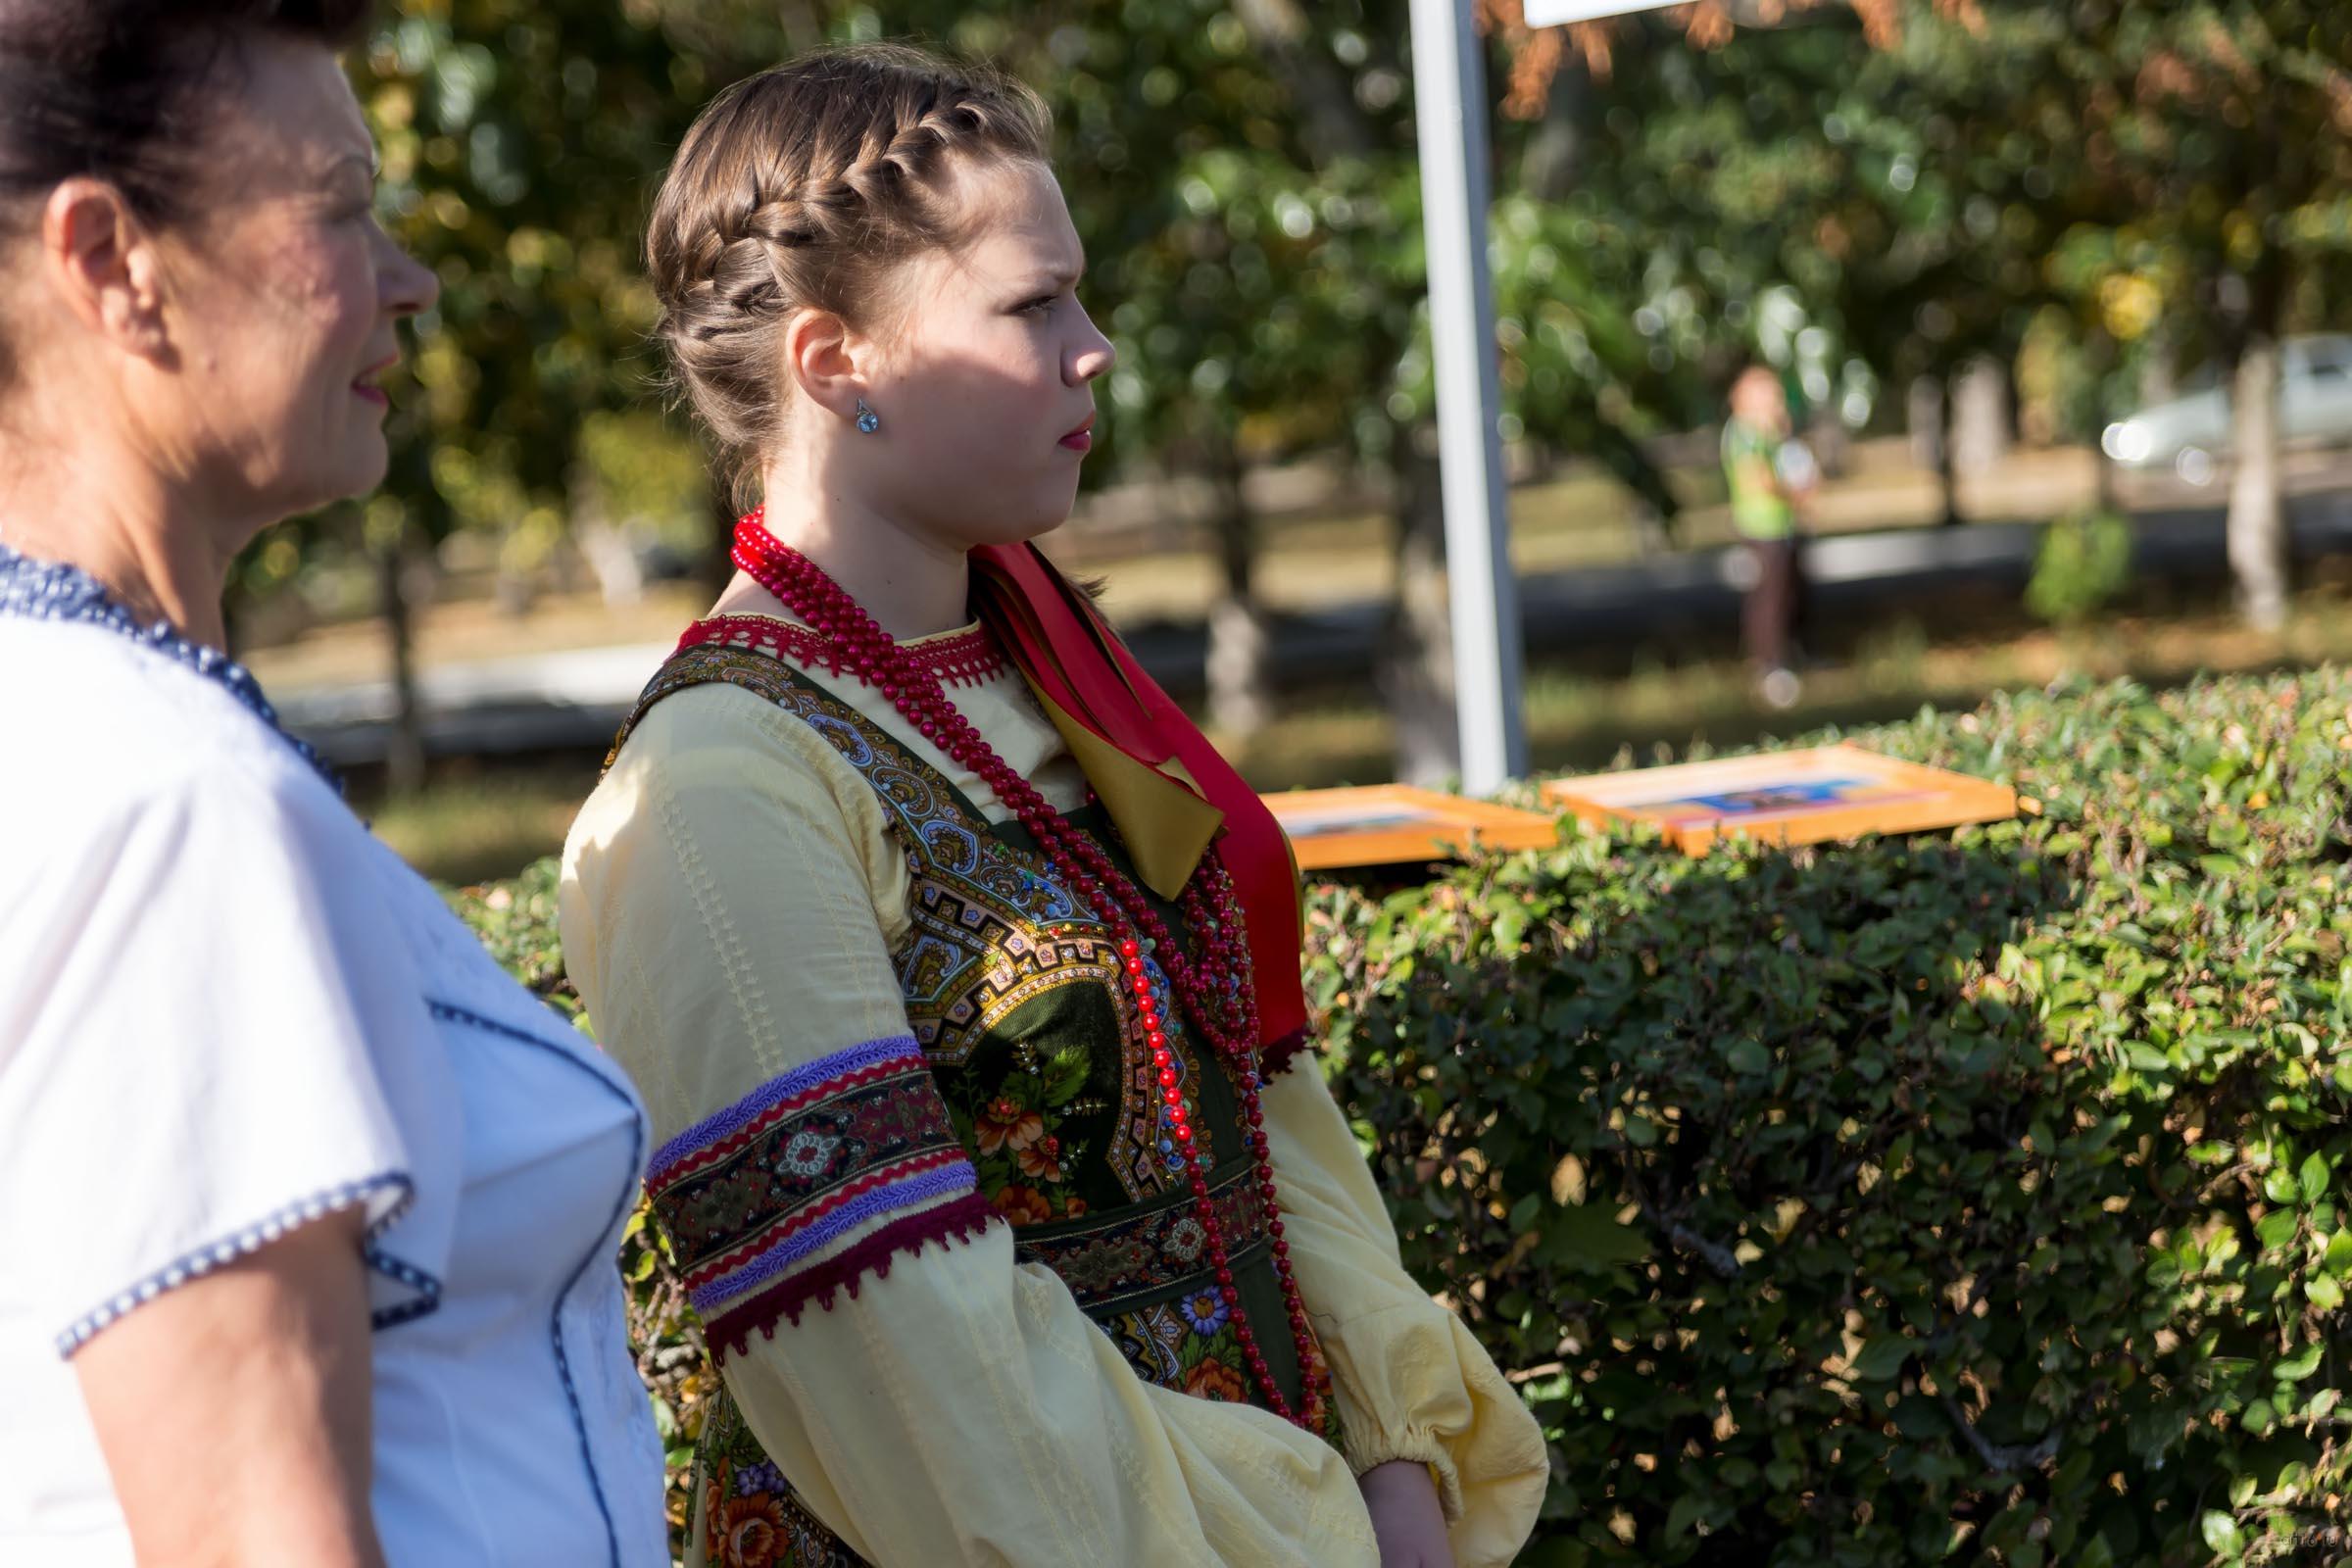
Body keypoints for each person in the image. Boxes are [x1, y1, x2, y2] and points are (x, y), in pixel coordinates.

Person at [561, 44, 1547, 1568]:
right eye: (1032, 306)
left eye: (1077, 294)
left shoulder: (1046, 680)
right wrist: (1309, 1535)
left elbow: (1257, 1093)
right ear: (837, 362)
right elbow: (910, 1375)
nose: (1096, 348)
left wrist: (1395, 1453)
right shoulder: (720, 791)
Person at [0, 5, 668, 1563]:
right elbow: (252, 1531)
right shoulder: (165, 798)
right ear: (111, 262)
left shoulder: (78, 724)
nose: (409, 279)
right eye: (340, 208)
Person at [1722, 364, 1816, 710]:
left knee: (1790, 593)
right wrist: (1793, 493)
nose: (1776, 400)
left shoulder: (1767, 433)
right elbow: (1757, 478)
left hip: (1780, 525)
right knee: (1769, 599)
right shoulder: (1745, 434)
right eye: (1769, 392)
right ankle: (1769, 667)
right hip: (1760, 527)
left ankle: (1792, 653)